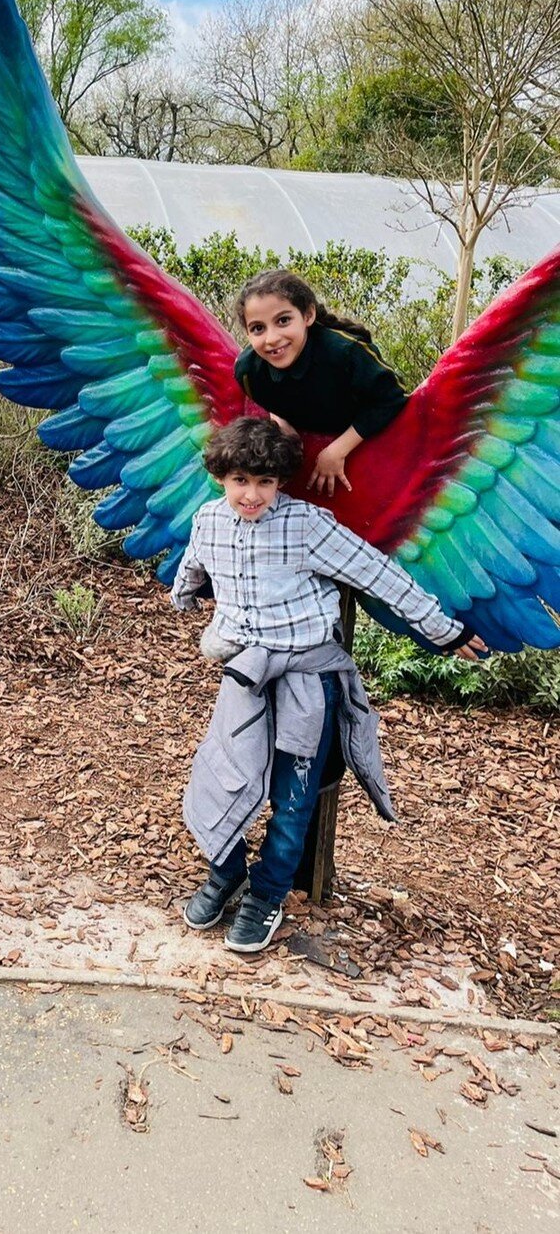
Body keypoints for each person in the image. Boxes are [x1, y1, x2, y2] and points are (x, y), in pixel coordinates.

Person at [171, 417, 485, 954]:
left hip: (308, 681)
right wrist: (187, 594)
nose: (252, 494)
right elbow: (193, 568)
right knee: (219, 778)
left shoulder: (307, 525)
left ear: (281, 483)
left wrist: (443, 631)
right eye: (242, 479)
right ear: (222, 475)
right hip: (246, 675)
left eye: (266, 483)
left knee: (293, 802)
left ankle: (266, 894)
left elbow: (379, 575)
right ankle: (226, 873)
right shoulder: (208, 521)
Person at [233, 269, 407, 497]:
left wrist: (337, 450)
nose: (272, 338)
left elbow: (392, 398)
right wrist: (280, 419)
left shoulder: (346, 353)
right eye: (258, 328)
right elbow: (266, 399)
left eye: (283, 320)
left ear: (308, 316)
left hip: (366, 443)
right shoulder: (248, 372)